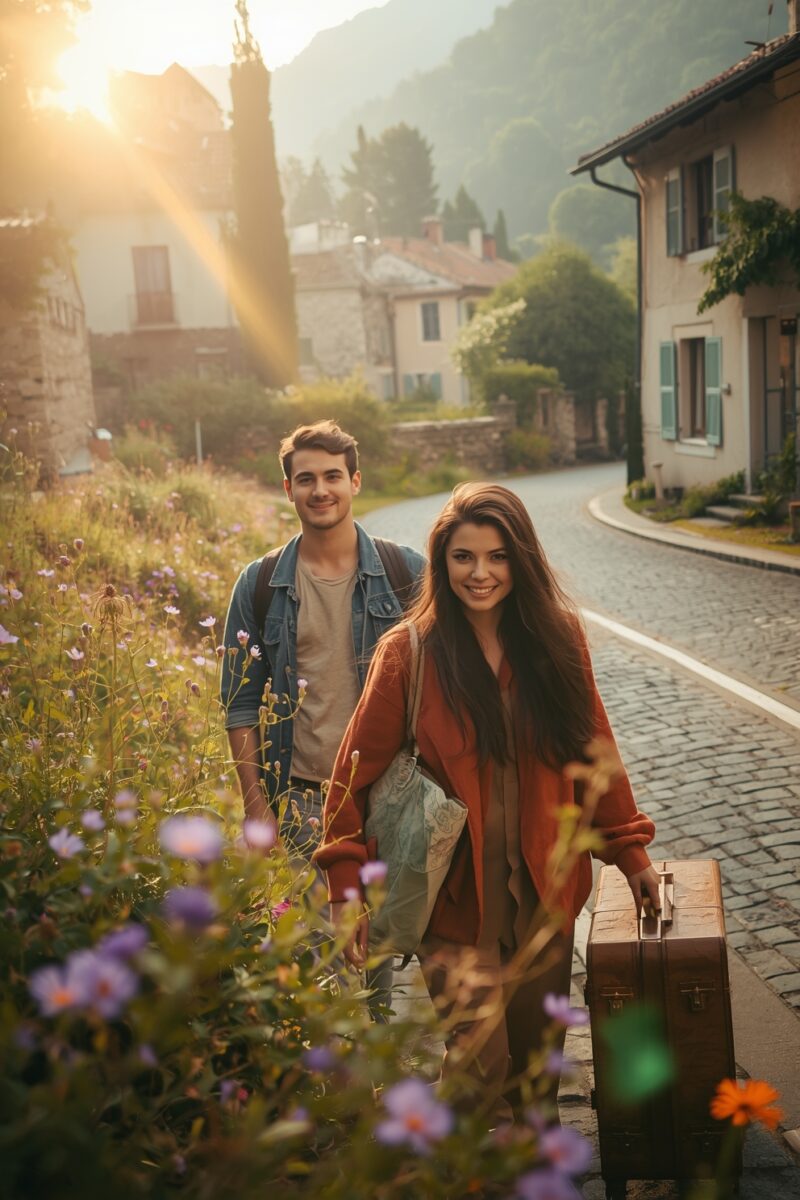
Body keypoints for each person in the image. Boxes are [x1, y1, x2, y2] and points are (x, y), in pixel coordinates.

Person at [317, 482, 659, 1121]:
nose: (480, 573)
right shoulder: (410, 651)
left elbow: (596, 752)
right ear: (441, 562)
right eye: (463, 557)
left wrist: (631, 853)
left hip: (544, 897)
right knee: (480, 1070)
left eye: (497, 556)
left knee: (533, 1079)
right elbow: (351, 773)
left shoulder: (557, 640)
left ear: (521, 559)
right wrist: (344, 884)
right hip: (451, 902)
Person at [220, 419, 425, 892]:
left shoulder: (407, 572)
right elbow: (241, 704)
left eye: (333, 476)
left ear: (355, 481)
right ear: (289, 489)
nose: (320, 490)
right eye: (306, 479)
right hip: (301, 803)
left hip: (390, 794)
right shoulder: (259, 584)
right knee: (317, 955)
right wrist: (256, 809)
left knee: (380, 957)